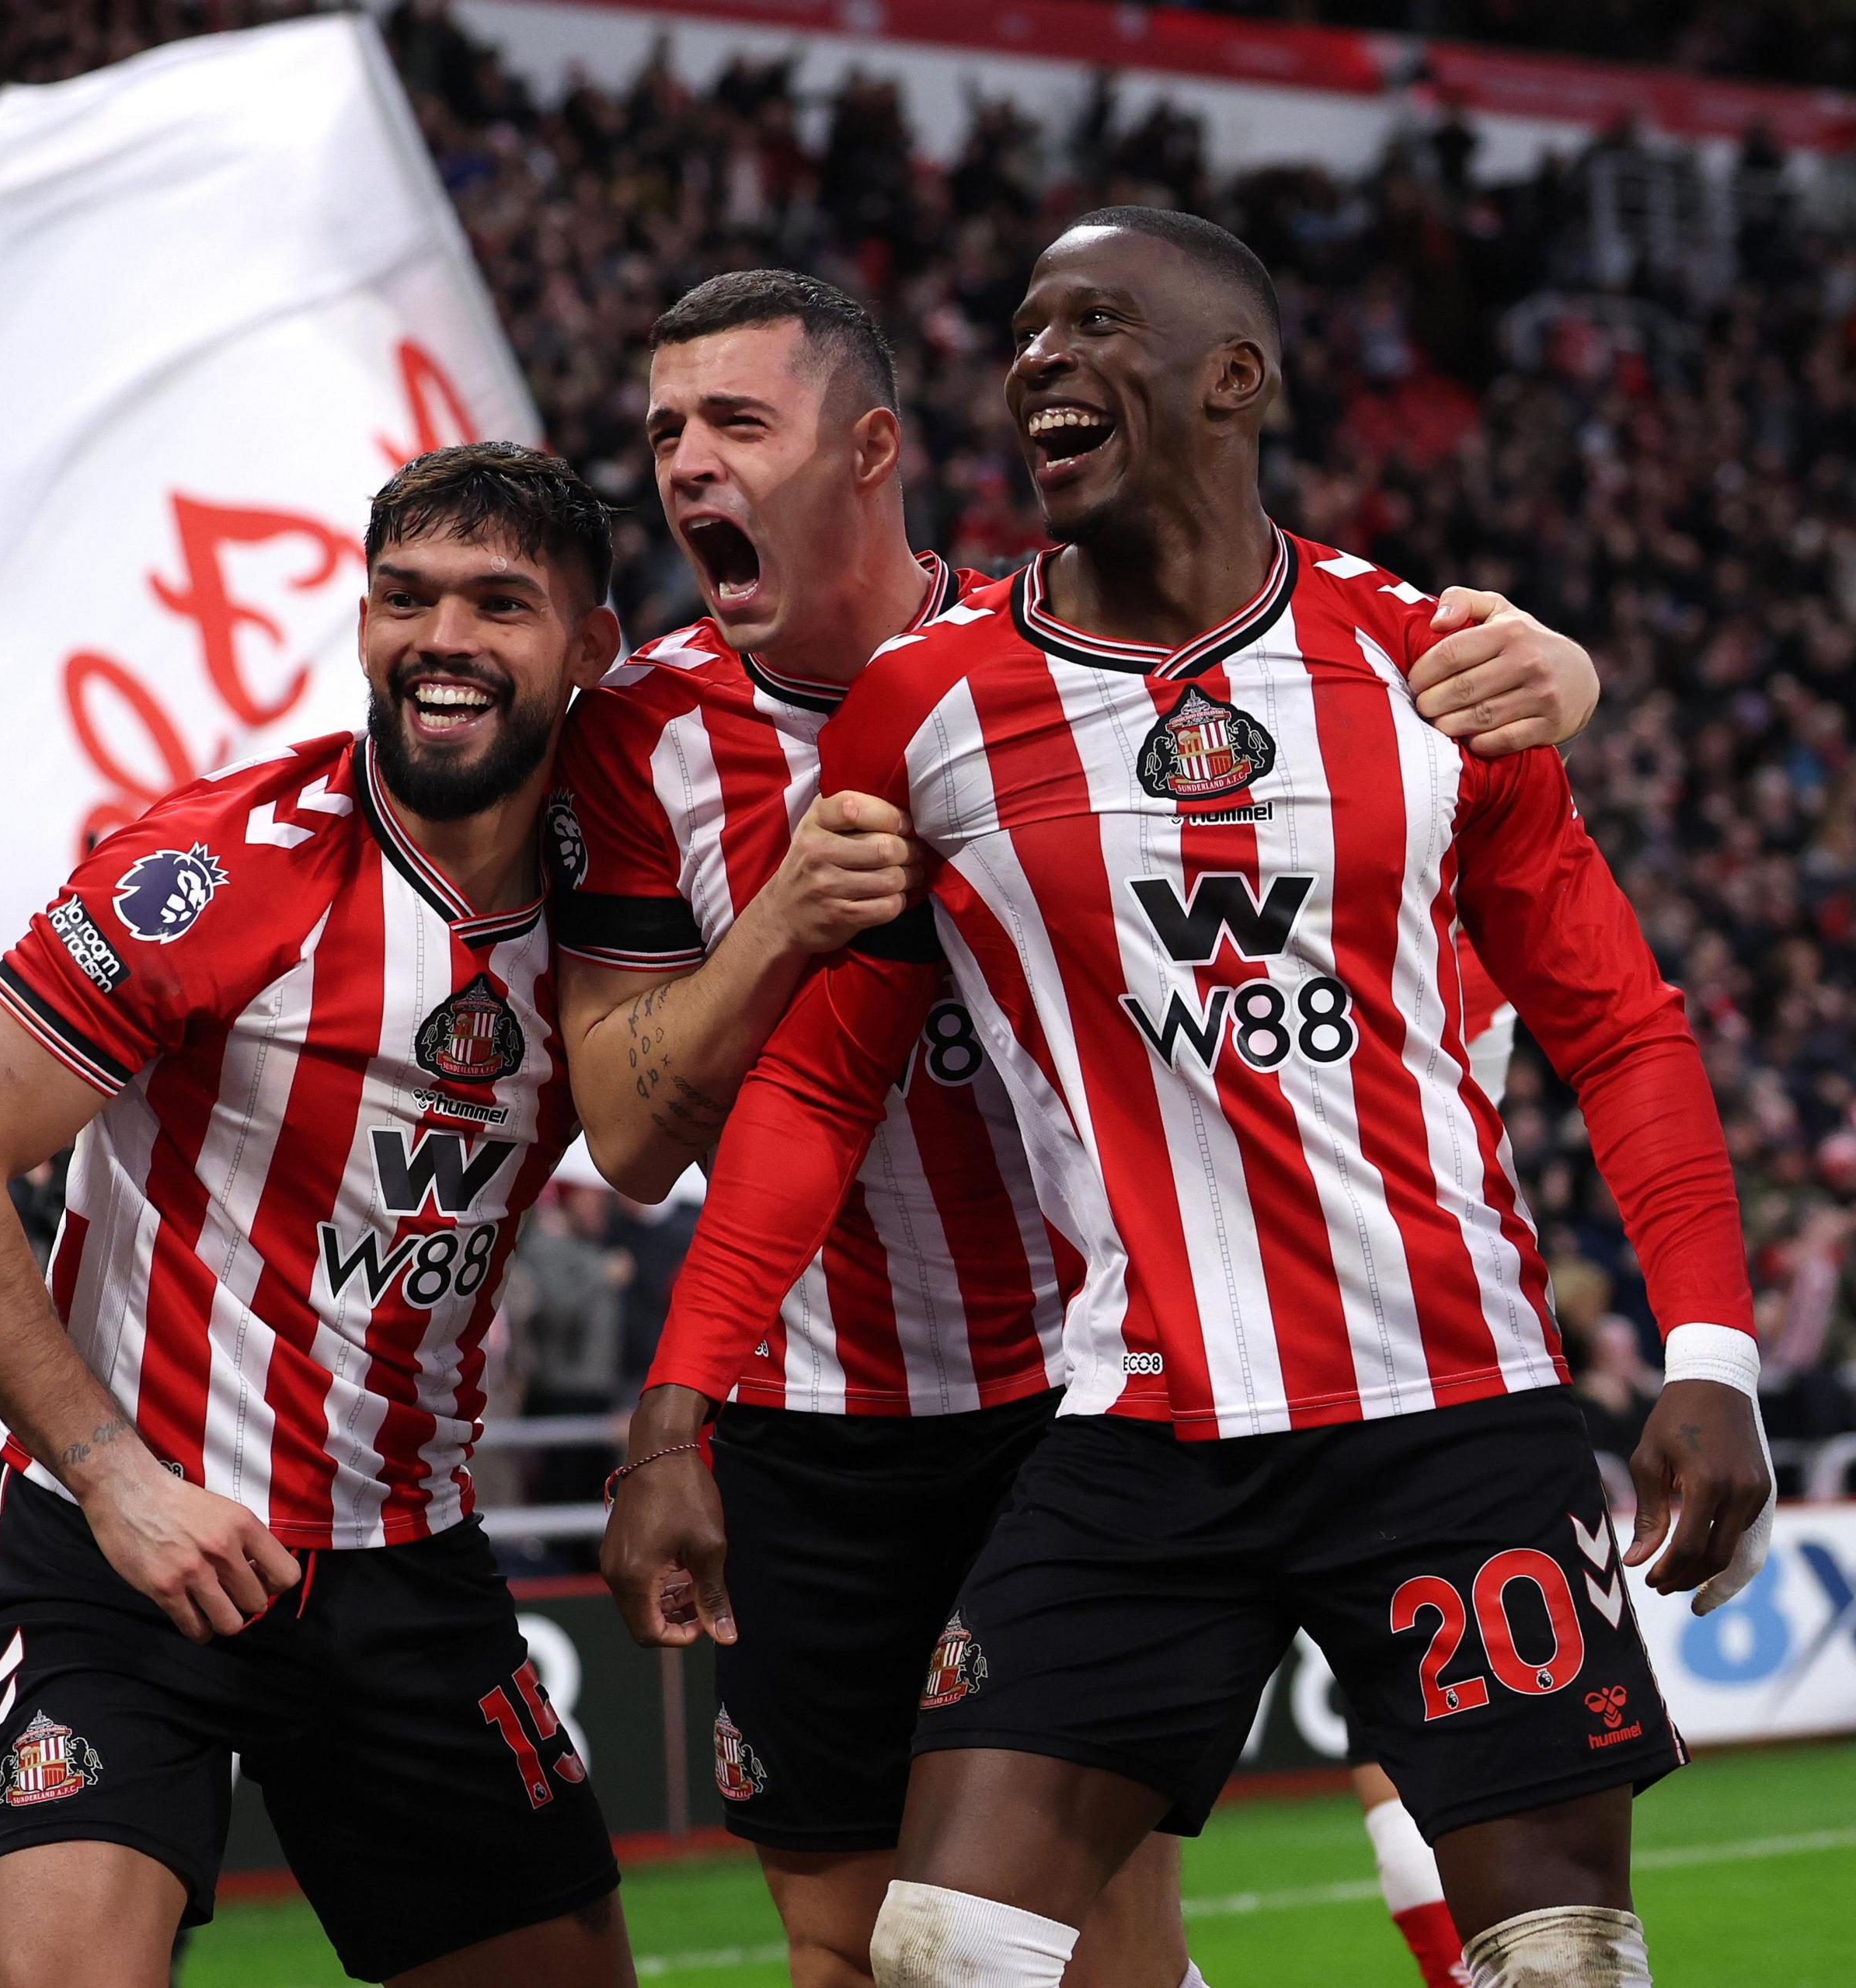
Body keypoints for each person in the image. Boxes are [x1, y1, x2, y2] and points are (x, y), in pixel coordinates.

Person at [634, 211, 1772, 1988]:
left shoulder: (1436, 664)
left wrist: (1711, 1354)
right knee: (936, 1947)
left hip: (1451, 1407)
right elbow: (819, 1082)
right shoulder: (923, 708)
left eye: (1095, 321)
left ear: (1235, 377)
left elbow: (1619, 1026)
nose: (1037, 358)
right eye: (1022, 329)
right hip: (1139, 1424)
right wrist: (673, 1403)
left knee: (1556, 1958)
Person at [0, 443, 636, 1988]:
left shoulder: (623, 908)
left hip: (404, 1559)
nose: (443, 639)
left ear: (591, 649)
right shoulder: (212, 867)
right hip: (121, 1552)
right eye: (404, 597)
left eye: (501, 601)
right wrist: (115, 1475)